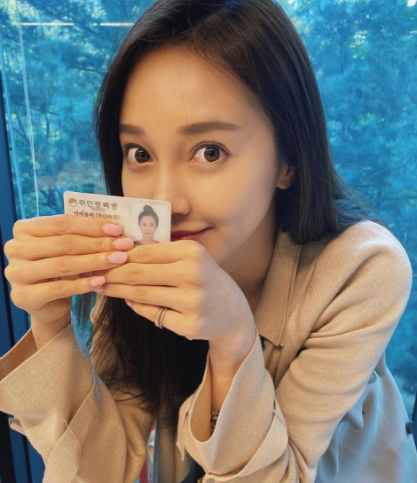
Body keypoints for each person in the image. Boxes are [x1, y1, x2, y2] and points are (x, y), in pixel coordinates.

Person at [1, 0, 416, 482]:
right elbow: (102, 470)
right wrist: (50, 324)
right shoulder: (136, 262)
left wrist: (233, 341)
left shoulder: (360, 269)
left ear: (289, 160)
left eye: (210, 151)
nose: (164, 200)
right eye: (139, 153)